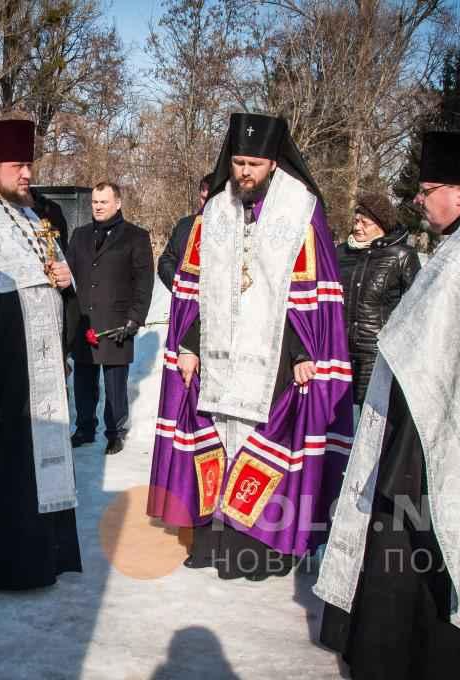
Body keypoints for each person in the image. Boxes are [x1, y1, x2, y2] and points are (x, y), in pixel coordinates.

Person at [315, 132, 460, 680]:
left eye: (428, 188)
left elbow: (439, 348)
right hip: (423, 426)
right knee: (403, 548)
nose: (418, 198)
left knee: (420, 551)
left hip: (440, 437)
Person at [147, 112, 354, 581]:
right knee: (217, 443)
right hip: (218, 356)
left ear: (274, 163)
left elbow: (311, 290)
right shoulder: (215, 211)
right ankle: (212, 541)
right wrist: (189, 344)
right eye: (238, 162)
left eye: (254, 165)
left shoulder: (301, 210)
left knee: (264, 447)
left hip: (276, 358)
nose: (244, 172)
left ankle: (260, 550)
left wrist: (304, 353)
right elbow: (196, 289)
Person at [0, 118, 82, 590]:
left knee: (41, 459)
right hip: (2, 363)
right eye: (18, 166)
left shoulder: (35, 215)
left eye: (29, 164)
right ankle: (5, 565)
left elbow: (55, 273)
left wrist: (66, 278)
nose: (27, 174)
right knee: (8, 463)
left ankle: (46, 557)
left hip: (43, 363)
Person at [67, 182, 153, 455]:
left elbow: (143, 282)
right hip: (84, 320)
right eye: (94, 202)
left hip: (117, 322)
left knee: (115, 382)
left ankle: (115, 431)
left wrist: (135, 318)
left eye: (103, 202)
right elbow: (68, 275)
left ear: (117, 203)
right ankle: (84, 427)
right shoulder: (79, 236)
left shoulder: (135, 237)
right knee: (83, 379)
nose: (98, 207)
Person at [336, 192, 421, 404]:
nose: (357, 228)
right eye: (356, 221)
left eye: (365, 223)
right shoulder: (340, 254)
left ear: (381, 225)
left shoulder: (402, 256)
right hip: (338, 352)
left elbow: (415, 307)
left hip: (376, 355)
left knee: (368, 419)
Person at [157, 173, 212, 290]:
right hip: (185, 302)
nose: (206, 203)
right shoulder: (185, 225)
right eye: (203, 198)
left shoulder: (234, 228)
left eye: (210, 199)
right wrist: (181, 288)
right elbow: (166, 260)